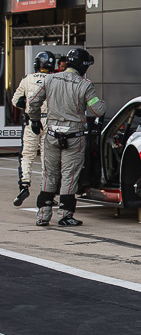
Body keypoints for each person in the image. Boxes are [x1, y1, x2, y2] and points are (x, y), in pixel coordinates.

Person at [27, 48, 106, 226]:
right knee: (69, 175)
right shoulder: (85, 85)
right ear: (83, 66)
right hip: (74, 137)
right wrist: (102, 103)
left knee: (49, 174)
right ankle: (65, 215)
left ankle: (42, 215)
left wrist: (34, 120)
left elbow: (33, 103)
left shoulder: (50, 79)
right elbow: (98, 110)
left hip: (52, 134)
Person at [11, 51, 56, 206]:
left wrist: (28, 107)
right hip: (50, 122)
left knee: (27, 155)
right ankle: (47, 191)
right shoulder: (54, 79)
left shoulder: (27, 79)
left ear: (37, 64)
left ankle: (24, 184)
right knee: (47, 158)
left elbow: (16, 101)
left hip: (32, 121)